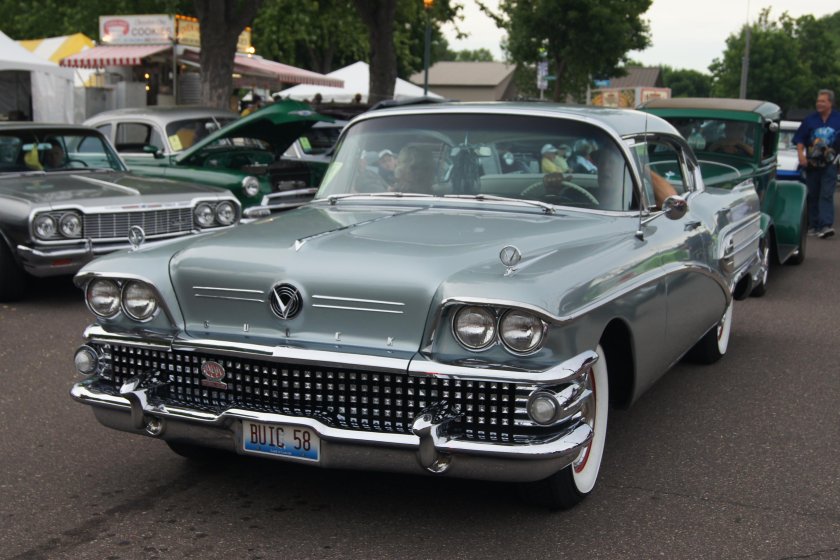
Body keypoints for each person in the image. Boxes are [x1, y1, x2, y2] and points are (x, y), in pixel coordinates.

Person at [794, 89, 840, 239]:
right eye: (818, 101)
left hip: (830, 163)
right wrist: (801, 156)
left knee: (826, 194)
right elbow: (800, 139)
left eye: (822, 101)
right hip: (812, 163)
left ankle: (826, 225)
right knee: (812, 194)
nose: (819, 104)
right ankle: (813, 225)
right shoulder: (810, 120)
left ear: (830, 103)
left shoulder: (838, 119)